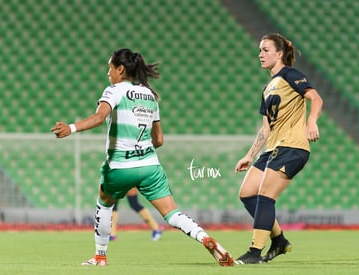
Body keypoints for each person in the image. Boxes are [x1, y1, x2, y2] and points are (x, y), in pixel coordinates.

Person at [51, 48, 234, 267]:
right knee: (172, 213)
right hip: (150, 166)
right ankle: (204, 237)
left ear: (120, 69)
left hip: (120, 166)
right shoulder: (150, 95)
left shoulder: (114, 90)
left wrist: (71, 128)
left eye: (110, 68)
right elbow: (159, 140)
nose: (108, 73)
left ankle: (100, 256)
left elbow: (100, 118)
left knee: (105, 204)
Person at [234, 33, 323, 264]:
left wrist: (311, 122)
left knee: (265, 196)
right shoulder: (267, 87)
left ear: (279, 54)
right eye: (260, 50)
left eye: (265, 50)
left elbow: (316, 98)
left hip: (292, 147)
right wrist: (249, 155)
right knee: (246, 193)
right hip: (272, 148)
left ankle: (254, 252)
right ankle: (280, 240)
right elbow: (265, 129)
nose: (260, 54)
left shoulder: (291, 75)